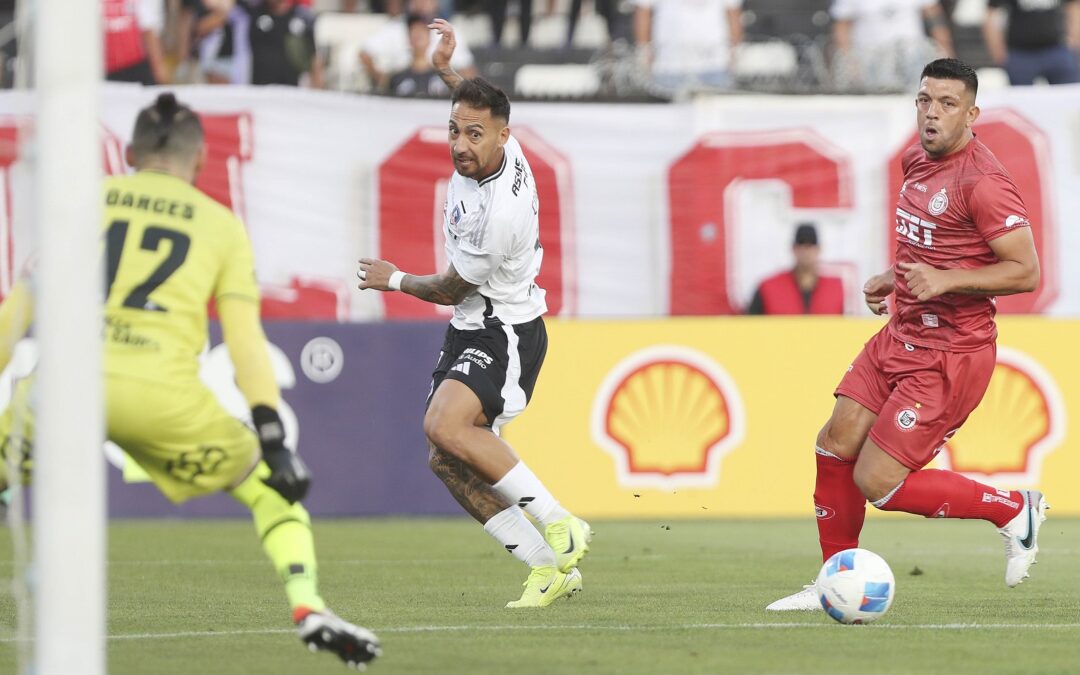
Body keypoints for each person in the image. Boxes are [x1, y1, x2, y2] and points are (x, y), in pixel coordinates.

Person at [0, 94, 380, 668]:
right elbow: (245, 342)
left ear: (129, 153)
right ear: (200, 159)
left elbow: (16, 313)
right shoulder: (220, 226)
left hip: (62, 395)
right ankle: (308, 607)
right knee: (270, 494)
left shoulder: (78, 204)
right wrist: (273, 437)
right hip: (164, 404)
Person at [766, 58, 1048, 611]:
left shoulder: (984, 183)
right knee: (834, 442)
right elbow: (932, 247)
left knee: (880, 482)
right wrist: (892, 278)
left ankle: (1013, 508)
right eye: (924, 101)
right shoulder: (914, 160)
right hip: (901, 333)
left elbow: (1026, 272)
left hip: (952, 353)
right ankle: (830, 578)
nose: (932, 114)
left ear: (972, 113)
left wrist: (945, 281)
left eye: (947, 104)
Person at [357, 18, 591, 609]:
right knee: (443, 458)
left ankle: (560, 520)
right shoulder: (494, 140)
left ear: (503, 137)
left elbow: (449, 285)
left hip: (506, 328)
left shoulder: (502, 213)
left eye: (475, 135)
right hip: (472, 325)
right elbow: (477, 105)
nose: (462, 144)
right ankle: (546, 567)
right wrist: (445, 70)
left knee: (447, 427)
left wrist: (396, 279)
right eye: (455, 131)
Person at [830, 0, 954, 93]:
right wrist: (850, 61)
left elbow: (934, 17)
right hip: (872, 62)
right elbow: (842, 26)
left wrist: (945, 50)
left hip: (912, 57)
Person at [632, 0, 743, 98]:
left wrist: (735, 51)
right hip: (669, 65)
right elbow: (643, 12)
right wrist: (644, 51)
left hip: (715, 64)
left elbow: (733, 13)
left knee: (716, 118)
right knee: (668, 118)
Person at [746, 223, 845, 315]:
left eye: (810, 245)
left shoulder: (834, 289)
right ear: (793, 248)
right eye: (801, 245)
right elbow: (748, 326)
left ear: (819, 249)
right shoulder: (768, 288)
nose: (806, 251)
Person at [982, 0, 1079, 86]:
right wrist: (998, 52)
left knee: (1068, 96)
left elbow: (1074, 7)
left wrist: (1074, 40)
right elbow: (991, 14)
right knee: (1021, 100)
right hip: (1020, 53)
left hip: (1057, 49)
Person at [387, 13, 451, 97]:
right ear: (408, 39)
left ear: (429, 38)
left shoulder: (443, 78)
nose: (418, 34)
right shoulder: (397, 78)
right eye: (414, 30)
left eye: (422, 30)